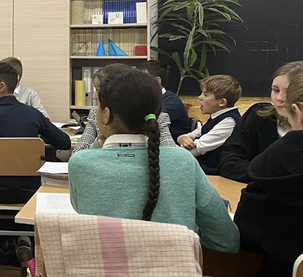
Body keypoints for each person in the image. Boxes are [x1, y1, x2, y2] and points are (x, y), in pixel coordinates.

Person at [69, 64, 240, 253]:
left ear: (106, 115)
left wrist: (97, 144)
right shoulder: (182, 161)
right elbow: (227, 240)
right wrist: (187, 232)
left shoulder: (81, 163)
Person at [0, 62, 71, 270]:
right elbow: (64, 142)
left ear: (1, 87)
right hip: (31, 190)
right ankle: (24, 237)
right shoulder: (32, 113)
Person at [234, 71, 303, 276]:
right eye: (275, 90)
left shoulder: (278, 157)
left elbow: (248, 234)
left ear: (298, 112)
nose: (279, 98)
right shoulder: (256, 118)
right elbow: (231, 155)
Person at [220, 61, 303, 182]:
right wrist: (269, 179)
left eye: (289, 93)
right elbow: (229, 161)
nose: (279, 98)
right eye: (275, 90)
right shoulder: (258, 115)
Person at [74, 66, 176, 153]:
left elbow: (171, 153)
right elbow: (78, 152)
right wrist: (98, 144)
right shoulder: (95, 114)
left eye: (98, 90)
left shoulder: (154, 117)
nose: (94, 96)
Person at [178, 75, 242, 175]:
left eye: (205, 95)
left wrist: (171, 154)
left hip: (212, 175)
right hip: (200, 170)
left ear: (222, 102)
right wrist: (182, 139)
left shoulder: (229, 121)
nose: (200, 97)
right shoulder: (215, 117)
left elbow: (196, 149)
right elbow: (188, 136)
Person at [135, 60, 192, 141]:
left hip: (171, 146)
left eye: (141, 80)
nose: (136, 84)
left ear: (157, 81)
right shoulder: (149, 100)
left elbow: (144, 124)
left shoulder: (171, 102)